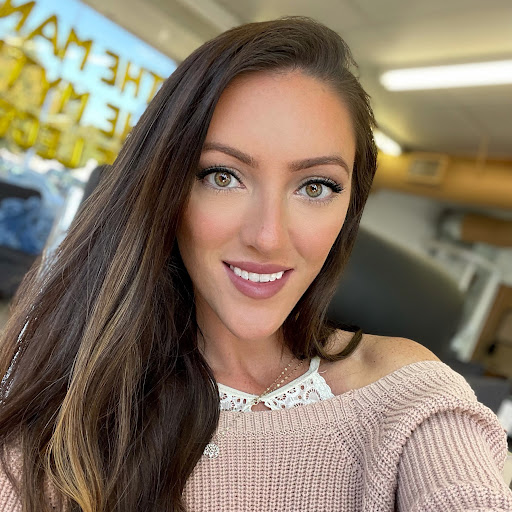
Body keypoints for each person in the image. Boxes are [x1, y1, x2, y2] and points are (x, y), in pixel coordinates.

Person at [0, 16, 511, 512]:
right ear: (164, 187)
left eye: (315, 187)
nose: (267, 237)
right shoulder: (67, 388)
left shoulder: (407, 395)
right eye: (223, 176)